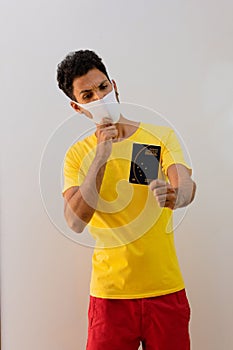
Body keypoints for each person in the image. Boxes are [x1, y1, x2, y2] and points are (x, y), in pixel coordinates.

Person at [57, 49, 196, 350]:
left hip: (165, 291)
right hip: (110, 299)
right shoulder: (77, 156)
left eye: (103, 87)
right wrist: (101, 156)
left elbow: (185, 184)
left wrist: (177, 196)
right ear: (77, 107)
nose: (100, 98)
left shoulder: (156, 137)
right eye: (88, 95)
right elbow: (74, 221)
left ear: (115, 85)